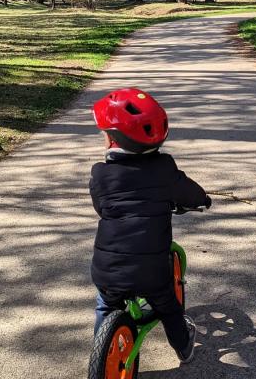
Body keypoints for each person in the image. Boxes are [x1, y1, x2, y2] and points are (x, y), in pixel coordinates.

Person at [89, 88, 212, 364]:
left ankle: (103, 350)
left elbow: (101, 207)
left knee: (105, 305)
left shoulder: (100, 174)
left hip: (107, 270)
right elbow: (189, 193)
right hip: (151, 272)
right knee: (169, 307)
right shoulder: (165, 169)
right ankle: (184, 348)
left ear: (112, 139)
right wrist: (203, 199)